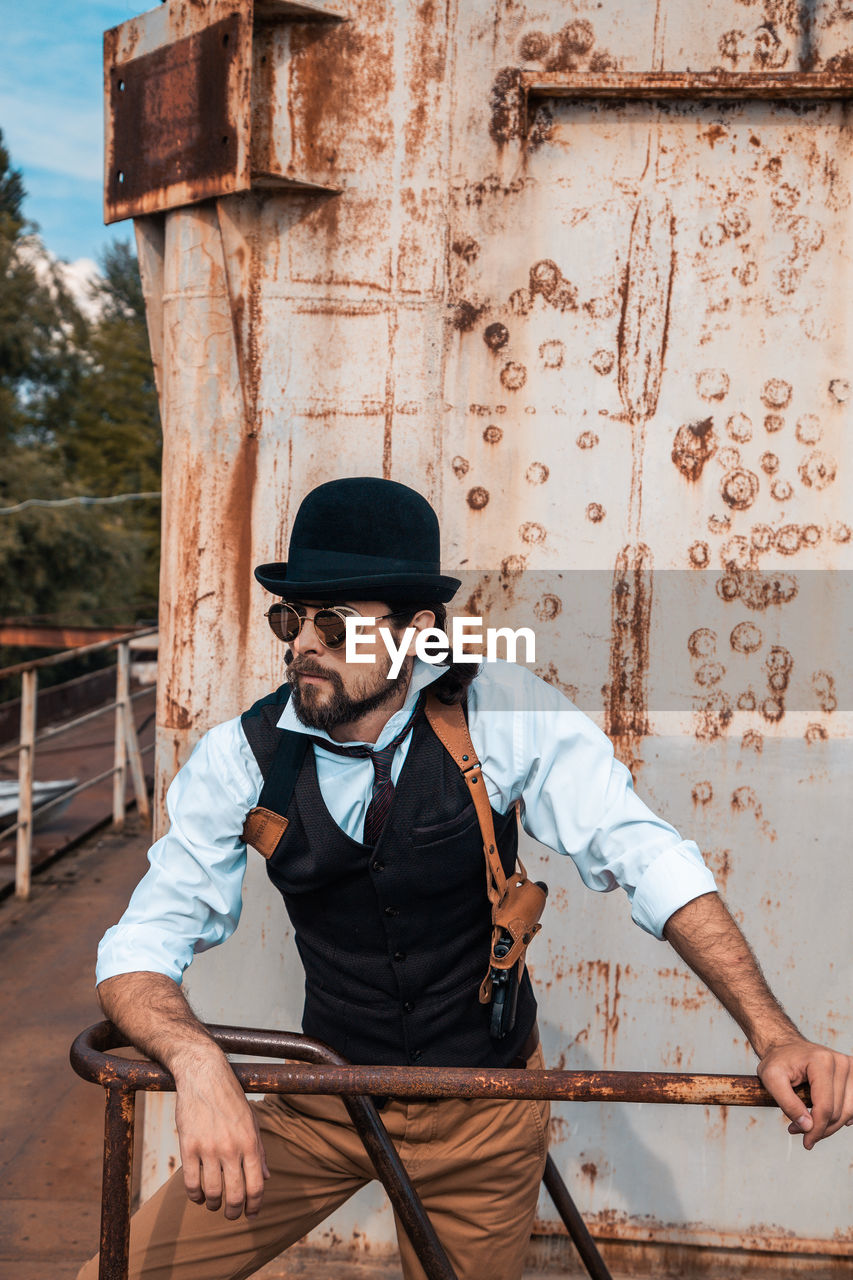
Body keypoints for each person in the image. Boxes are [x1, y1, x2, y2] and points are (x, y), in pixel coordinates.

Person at [80, 477, 852, 1280]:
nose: (302, 644)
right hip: (325, 1097)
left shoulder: (500, 712)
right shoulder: (242, 757)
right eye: (290, 618)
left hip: (484, 1112)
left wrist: (773, 1032)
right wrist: (195, 1061)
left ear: (416, 633)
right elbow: (140, 945)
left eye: (335, 624)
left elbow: (644, 856)